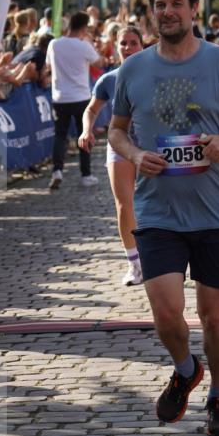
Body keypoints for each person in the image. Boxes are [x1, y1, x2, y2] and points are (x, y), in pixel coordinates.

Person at [108, 0, 219, 436]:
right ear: (152, 11)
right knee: (164, 309)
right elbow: (117, 130)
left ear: (193, 9)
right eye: (160, 4)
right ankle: (185, 369)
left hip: (215, 213)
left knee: (213, 316)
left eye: (177, 3)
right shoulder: (133, 69)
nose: (168, 12)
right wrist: (136, 153)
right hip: (158, 211)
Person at [79, 25, 145, 285]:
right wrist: (86, 130)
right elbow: (91, 110)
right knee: (124, 204)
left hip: (151, 145)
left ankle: (163, 258)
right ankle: (135, 265)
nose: (128, 48)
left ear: (143, 46)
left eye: (133, 43)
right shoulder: (108, 79)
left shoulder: (156, 75)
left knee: (157, 204)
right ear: (116, 48)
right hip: (119, 145)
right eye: (123, 44)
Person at [46, 10, 102, 191]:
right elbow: (99, 63)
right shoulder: (84, 45)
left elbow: (48, 66)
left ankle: (57, 171)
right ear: (84, 28)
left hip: (60, 97)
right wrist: (91, 44)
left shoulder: (54, 44)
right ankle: (86, 174)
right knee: (84, 134)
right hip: (80, 97)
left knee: (60, 135)